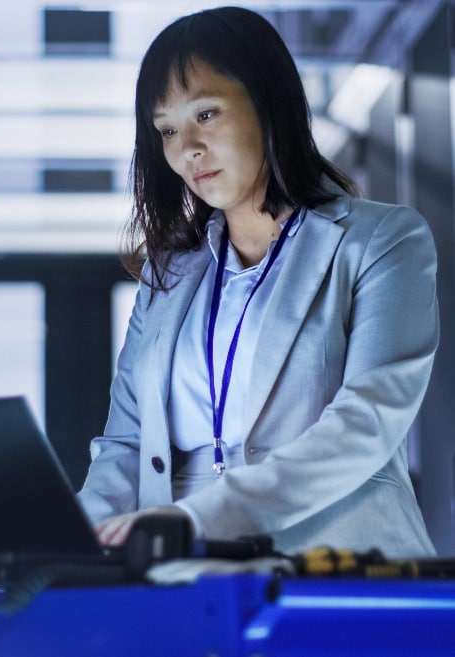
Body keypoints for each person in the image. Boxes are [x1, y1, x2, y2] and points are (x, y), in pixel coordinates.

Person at [77, 6, 439, 558]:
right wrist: (64, 541)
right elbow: (126, 444)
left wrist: (199, 517)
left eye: (206, 115)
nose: (186, 150)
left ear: (267, 104)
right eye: (168, 129)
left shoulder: (383, 241)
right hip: (187, 577)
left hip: (338, 565)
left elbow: (366, 423)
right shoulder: (167, 274)